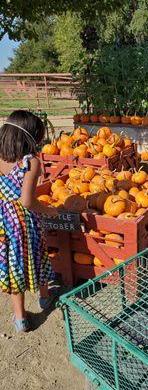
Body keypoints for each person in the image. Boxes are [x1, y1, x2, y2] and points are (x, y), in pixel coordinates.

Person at [0, 110, 58, 333]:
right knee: (39, 256)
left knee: (13, 266)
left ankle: (20, 318)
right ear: (31, 138)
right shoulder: (30, 162)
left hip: (3, 223)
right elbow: (27, 201)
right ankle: (44, 298)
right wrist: (49, 211)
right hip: (24, 224)